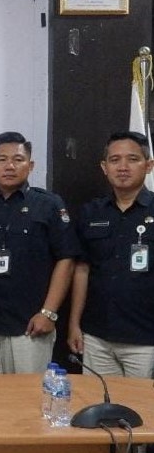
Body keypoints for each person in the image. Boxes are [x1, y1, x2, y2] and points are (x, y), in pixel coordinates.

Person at [0, 131, 79, 374]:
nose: (10, 166)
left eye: (18, 159)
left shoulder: (49, 204)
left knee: (29, 394)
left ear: (30, 166)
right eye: (2, 159)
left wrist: (48, 313)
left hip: (30, 325)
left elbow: (66, 260)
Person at [68, 131, 154, 378]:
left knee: (141, 402)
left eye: (132, 159)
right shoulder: (91, 212)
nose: (123, 167)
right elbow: (82, 270)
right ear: (105, 168)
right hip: (97, 336)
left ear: (148, 165)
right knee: (99, 400)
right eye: (115, 160)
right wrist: (74, 323)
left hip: (146, 339)